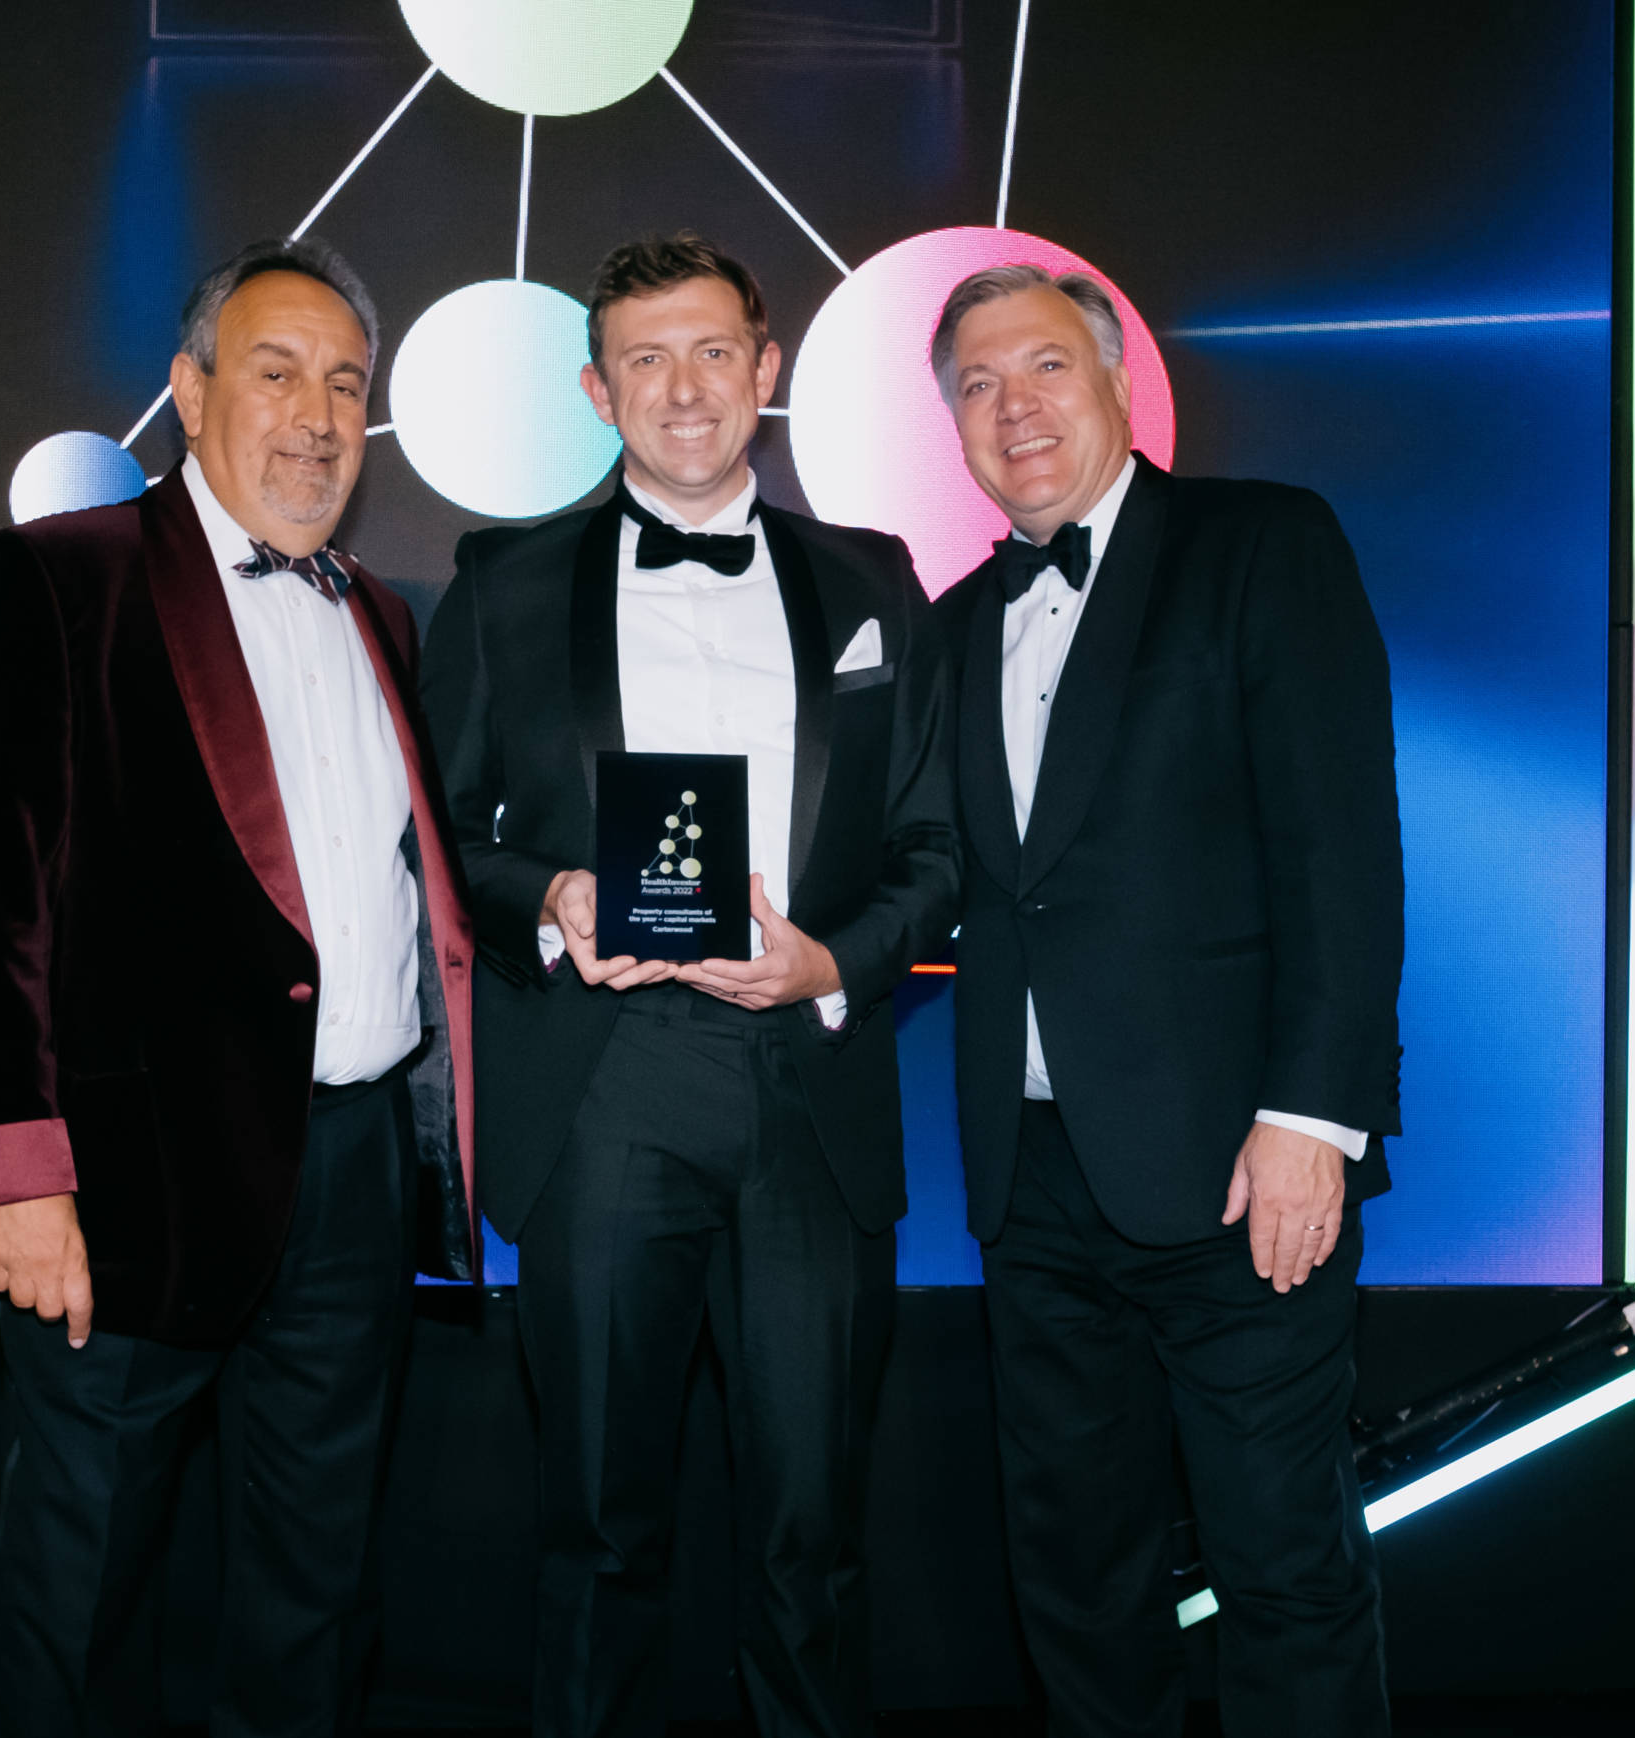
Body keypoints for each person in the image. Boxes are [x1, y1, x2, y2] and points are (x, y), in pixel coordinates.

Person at [0, 237, 476, 1738]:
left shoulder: (383, 615)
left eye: (346, 384)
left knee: (314, 1586)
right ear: (189, 387)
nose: (316, 415)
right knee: (80, 1588)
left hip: (351, 1182)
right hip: (123, 1184)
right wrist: (13, 1173)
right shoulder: (59, 577)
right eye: (277, 372)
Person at [420, 232, 957, 1738]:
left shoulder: (874, 579)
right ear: (598, 390)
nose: (683, 387)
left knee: (811, 1536)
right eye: (644, 359)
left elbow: (937, 845)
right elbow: (445, 833)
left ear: (767, 369)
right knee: (598, 1529)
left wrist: (832, 960)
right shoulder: (506, 580)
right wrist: (553, 898)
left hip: (812, 1089)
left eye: (712, 349)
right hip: (602, 1090)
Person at [929, 262, 1403, 1736]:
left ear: (1122, 383)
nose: (1016, 409)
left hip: (1236, 1170)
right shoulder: (952, 624)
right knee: (1075, 1582)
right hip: (1031, 1183)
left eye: (1046, 368)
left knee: (1282, 1567)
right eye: (978, 386)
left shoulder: (1262, 543)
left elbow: (1340, 847)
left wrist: (1313, 1115)